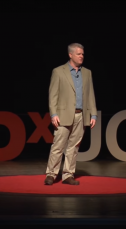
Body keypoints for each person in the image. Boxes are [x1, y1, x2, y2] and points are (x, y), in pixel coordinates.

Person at [44, 43, 97, 185]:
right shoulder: (58, 71)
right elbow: (53, 94)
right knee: (58, 145)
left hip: (81, 115)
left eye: (83, 54)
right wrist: (53, 113)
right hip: (62, 115)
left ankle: (68, 175)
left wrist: (93, 114)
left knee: (74, 147)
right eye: (79, 54)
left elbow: (90, 94)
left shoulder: (87, 72)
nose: (81, 56)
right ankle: (51, 174)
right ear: (70, 55)